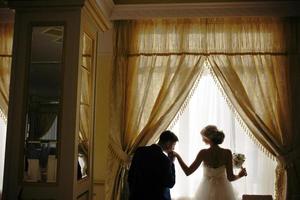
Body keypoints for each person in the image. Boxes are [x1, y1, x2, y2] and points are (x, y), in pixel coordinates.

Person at [173, 125, 247, 200]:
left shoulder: (203, 153)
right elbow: (230, 178)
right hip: (224, 190)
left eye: (203, 137)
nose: (202, 140)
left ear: (208, 138)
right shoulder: (227, 153)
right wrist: (240, 175)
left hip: (205, 190)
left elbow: (188, 172)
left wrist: (177, 156)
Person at [128, 130, 178, 200]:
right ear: (168, 143)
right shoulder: (165, 160)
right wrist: (171, 163)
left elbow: (131, 176)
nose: (173, 148)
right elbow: (170, 183)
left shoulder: (140, 151)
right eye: (174, 145)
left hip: (136, 196)